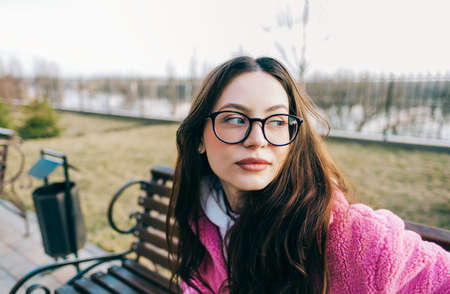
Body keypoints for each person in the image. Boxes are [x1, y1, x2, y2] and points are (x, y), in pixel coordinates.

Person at [166, 56, 449, 294]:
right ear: (198, 139)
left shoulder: (357, 239)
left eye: (277, 121)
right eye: (235, 119)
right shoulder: (203, 221)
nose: (257, 139)